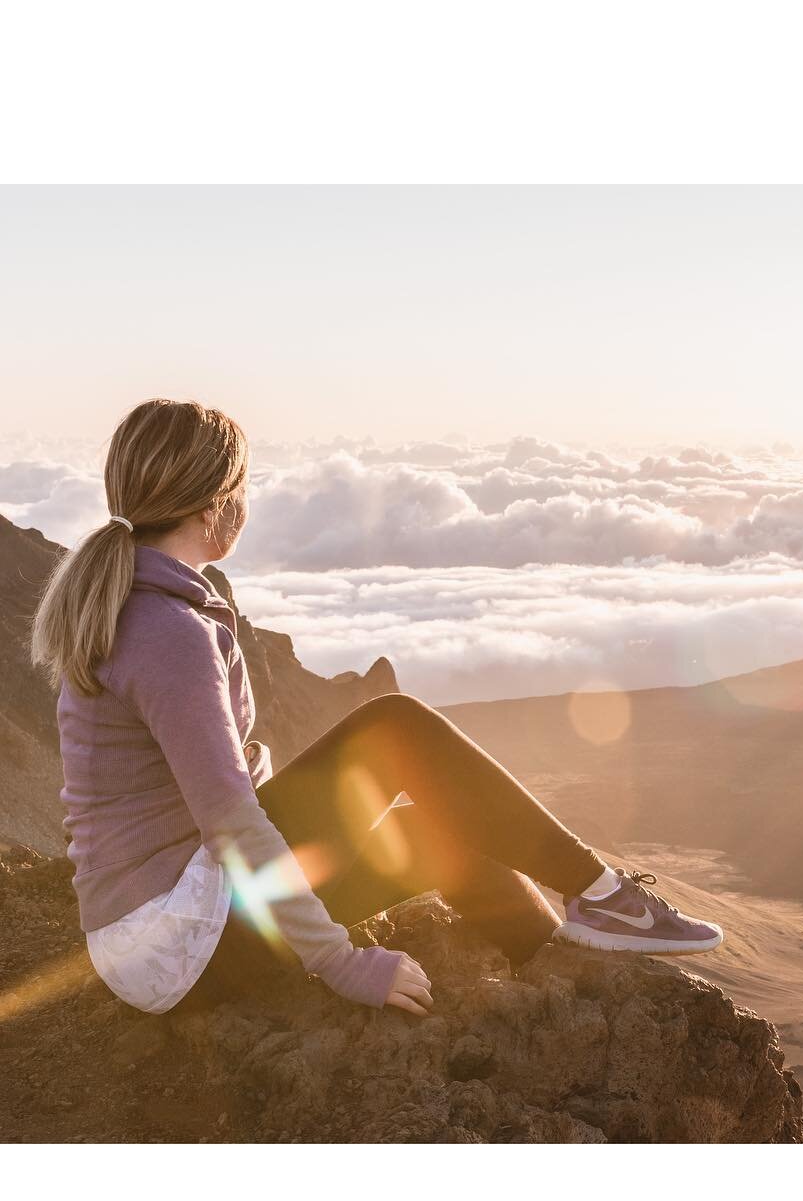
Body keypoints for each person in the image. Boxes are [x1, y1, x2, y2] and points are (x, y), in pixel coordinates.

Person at [29, 399, 723, 1020]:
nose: (247, 502)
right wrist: (343, 964)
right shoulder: (167, 632)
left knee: (424, 835)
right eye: (242, 487)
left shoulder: (145, 607)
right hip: (177, 944)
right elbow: (232, 824)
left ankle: (555, 961)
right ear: (213, 505)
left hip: (149, 934)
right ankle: (601, 894)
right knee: (395, 729)